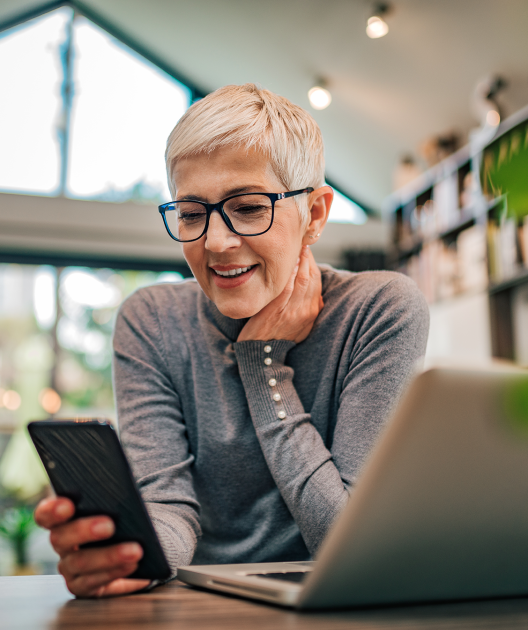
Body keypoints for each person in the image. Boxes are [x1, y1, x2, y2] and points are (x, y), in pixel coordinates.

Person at [35, 84, 429, 598]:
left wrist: (262, 364)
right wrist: (129, 552)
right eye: (192, 214)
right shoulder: (152, 321)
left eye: (247, 207)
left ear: (314, 215)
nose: (216, 243)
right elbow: (169, 509)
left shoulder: (379, 310)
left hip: (337, 612)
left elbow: (346, 541)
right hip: (200, 611)